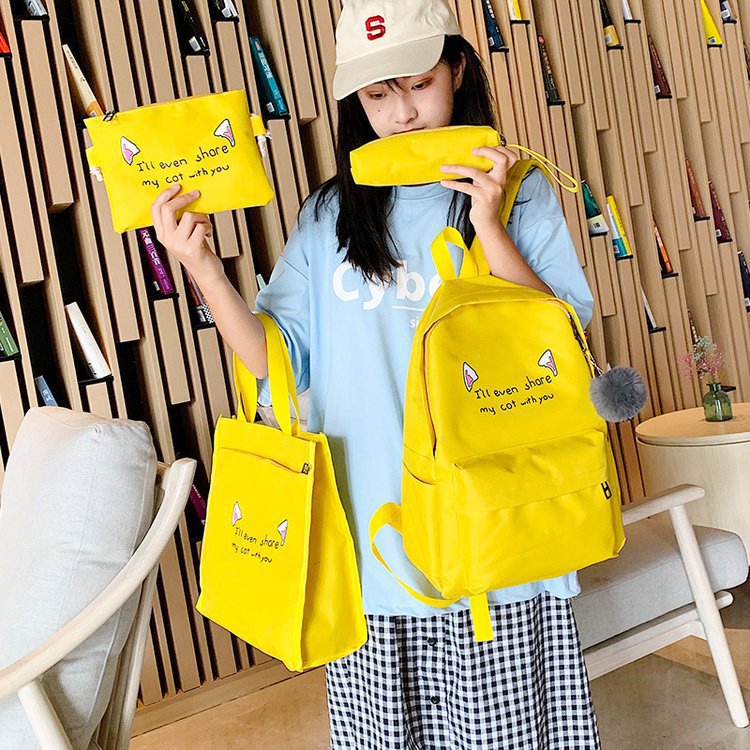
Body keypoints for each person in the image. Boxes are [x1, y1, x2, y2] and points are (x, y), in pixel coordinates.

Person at [151, 1, 600, 746]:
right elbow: (276, 360)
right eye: (377, 95)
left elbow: (560, 343)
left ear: (459, 69)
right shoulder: (327, 216)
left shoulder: (521, 191)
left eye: (420, 84)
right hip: (369, 533)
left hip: (492, 526)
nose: (402, 114)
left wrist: (488, 227)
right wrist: (201, 267)